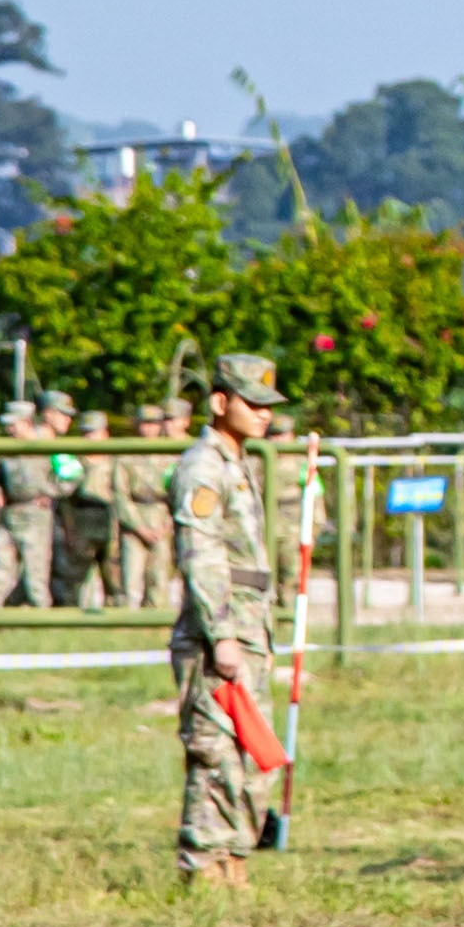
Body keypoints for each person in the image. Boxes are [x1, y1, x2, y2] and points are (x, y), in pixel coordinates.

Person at [169, 355, 286, 887]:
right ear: (220, 403)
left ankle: (234, 857)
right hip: (221, 630)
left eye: (268, 405)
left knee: (248, 751)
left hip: (249, 626)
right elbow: (202, 553)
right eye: (251, 403)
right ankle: (203, 866)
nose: (263, 414)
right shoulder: (204, 466)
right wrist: (222, 636)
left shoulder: (236, 463)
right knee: (214, 748)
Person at [115, 399, 188, 612]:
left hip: (162, 519)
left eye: (155, 423)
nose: (149, 428)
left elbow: (177, 495)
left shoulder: (171, 455)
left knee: (159, 580)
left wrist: (166, 525)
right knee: (131, 579)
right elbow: (121, 495)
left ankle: (154, 624)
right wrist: (139, 527)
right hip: (135, 520)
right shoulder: (127, 455)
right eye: (144, 423)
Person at [0, 403, 58, 608]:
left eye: (13, 425)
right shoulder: (7, 450)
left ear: (26, 423)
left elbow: (71, 475)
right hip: (10, 514)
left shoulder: (47, 446)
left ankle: (41, 622)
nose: (9, 430)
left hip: (36, 515)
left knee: (36, 574)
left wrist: (51, 493)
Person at [58, 408, 120, 612]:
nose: (89, 437)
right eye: (85, 433)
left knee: (113, 574)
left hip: (109, 518)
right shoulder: (74, 463)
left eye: (93, 432)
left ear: (105, 434)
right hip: (81, 518)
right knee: (76, 575)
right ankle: (74, 613)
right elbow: (65, 498)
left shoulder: (115, 462)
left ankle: (115, 613)